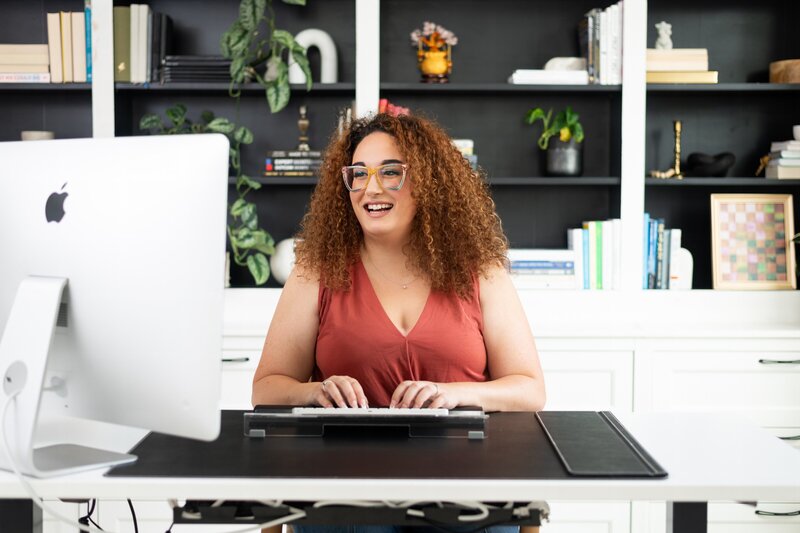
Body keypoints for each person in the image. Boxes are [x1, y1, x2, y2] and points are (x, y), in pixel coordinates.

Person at [252, 112, 545, 533]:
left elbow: (530, 389)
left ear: (427, 181)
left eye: (391, 172)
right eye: (359, 174)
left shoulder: (482, 272)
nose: (371, 188)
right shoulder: (313, 272)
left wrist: (449, 394)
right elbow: (266, 387)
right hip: (346, 491)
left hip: (466, 490)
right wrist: (315, 391)